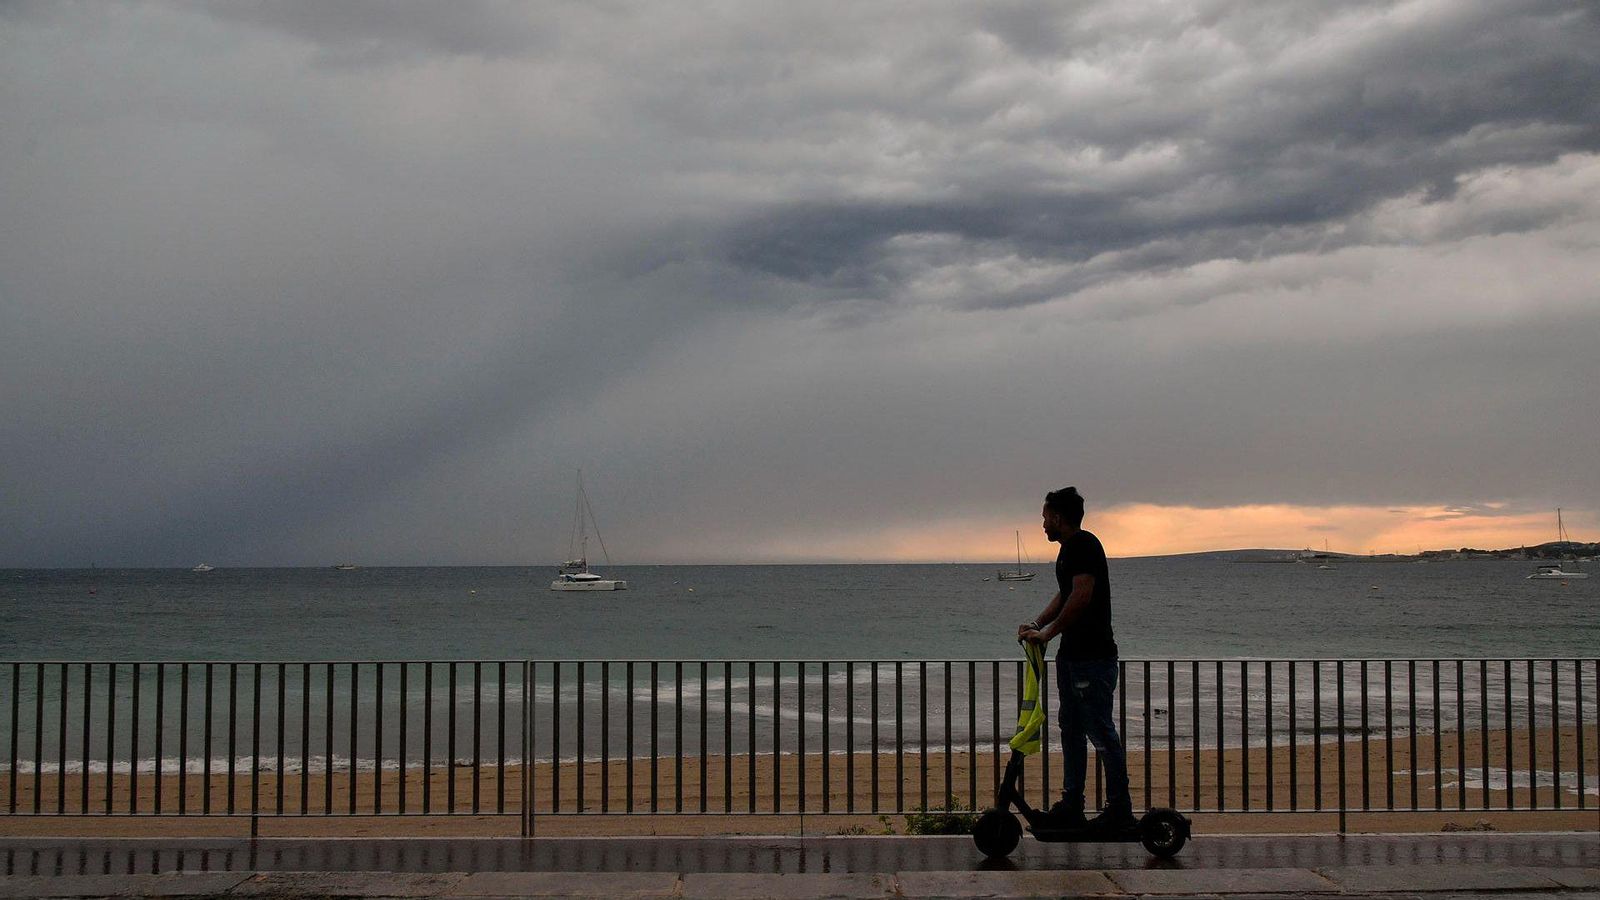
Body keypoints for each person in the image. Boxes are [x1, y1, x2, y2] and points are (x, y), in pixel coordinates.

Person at [1017, 486, 1134, 830]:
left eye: (1044, 517)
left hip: (1092, 658)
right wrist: (1037, 624)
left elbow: (1081, 596)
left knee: (1099, 730)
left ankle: (1119, 809)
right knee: (1070, 729)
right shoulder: (1070, 550)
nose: (1042, 524)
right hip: (1072, 658)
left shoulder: (1084, 545)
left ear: (1057, 517)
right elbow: (1065, 593)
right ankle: (1072, 804)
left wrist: (1048, 634)